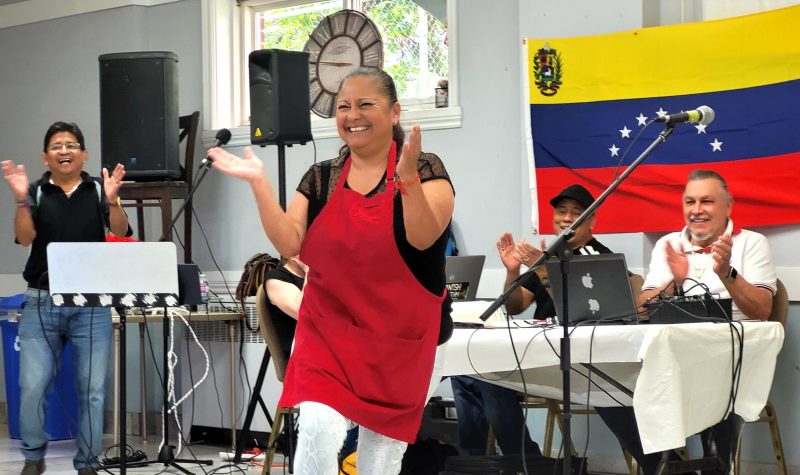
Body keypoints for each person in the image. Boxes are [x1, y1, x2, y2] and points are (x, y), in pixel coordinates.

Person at [208, 67, 455, 475]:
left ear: (394, 112)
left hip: (406, 340)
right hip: (332, 334)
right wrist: (259, 183)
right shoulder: (321, 177)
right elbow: (289, 243)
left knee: (379, 456)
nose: (352, 114)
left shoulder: (426, 167)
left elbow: (424, 236)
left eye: (365, 104)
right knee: (317, 429)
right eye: (343, 106)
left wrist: (407, 179)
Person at [598, 169, 777, 474]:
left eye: (706, 201)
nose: (696, 210)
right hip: (672, 354)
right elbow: (643, 306)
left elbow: (762, 309)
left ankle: (715, 468)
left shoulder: (752, 243)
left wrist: (726, 274)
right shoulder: (669, 243)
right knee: (604, 386)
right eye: (690, 201)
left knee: (715, 385)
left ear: (728, 205)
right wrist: (674, 282)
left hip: (730, 356)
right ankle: (665, 467)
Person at [2, 121, 131, 475]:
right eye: (56, 145)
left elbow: (119, 231)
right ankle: (32, 457)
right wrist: (20, 200)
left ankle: (88, 463)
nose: (64, 150)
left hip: (91, 304)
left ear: (84, 155)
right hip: (42, 301)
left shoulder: (96, 190)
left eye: (72, 145)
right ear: (46, 157)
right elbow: (25, 237)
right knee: (31, 385)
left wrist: (113, 198)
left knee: (92, 390)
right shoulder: (36, 192)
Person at [451, 184, 610, 457]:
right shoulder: (545, 256)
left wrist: (547, 273)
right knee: (466, 372)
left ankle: (521, 459)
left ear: (592, 221)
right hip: (536, 354)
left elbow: (578, 310)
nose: (567, 218)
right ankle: (476, 461)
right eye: (561, 211)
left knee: (491, 379)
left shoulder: (599, 257)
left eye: (576, 213)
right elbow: (515, 306)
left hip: (573, 361)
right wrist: (512, 273)